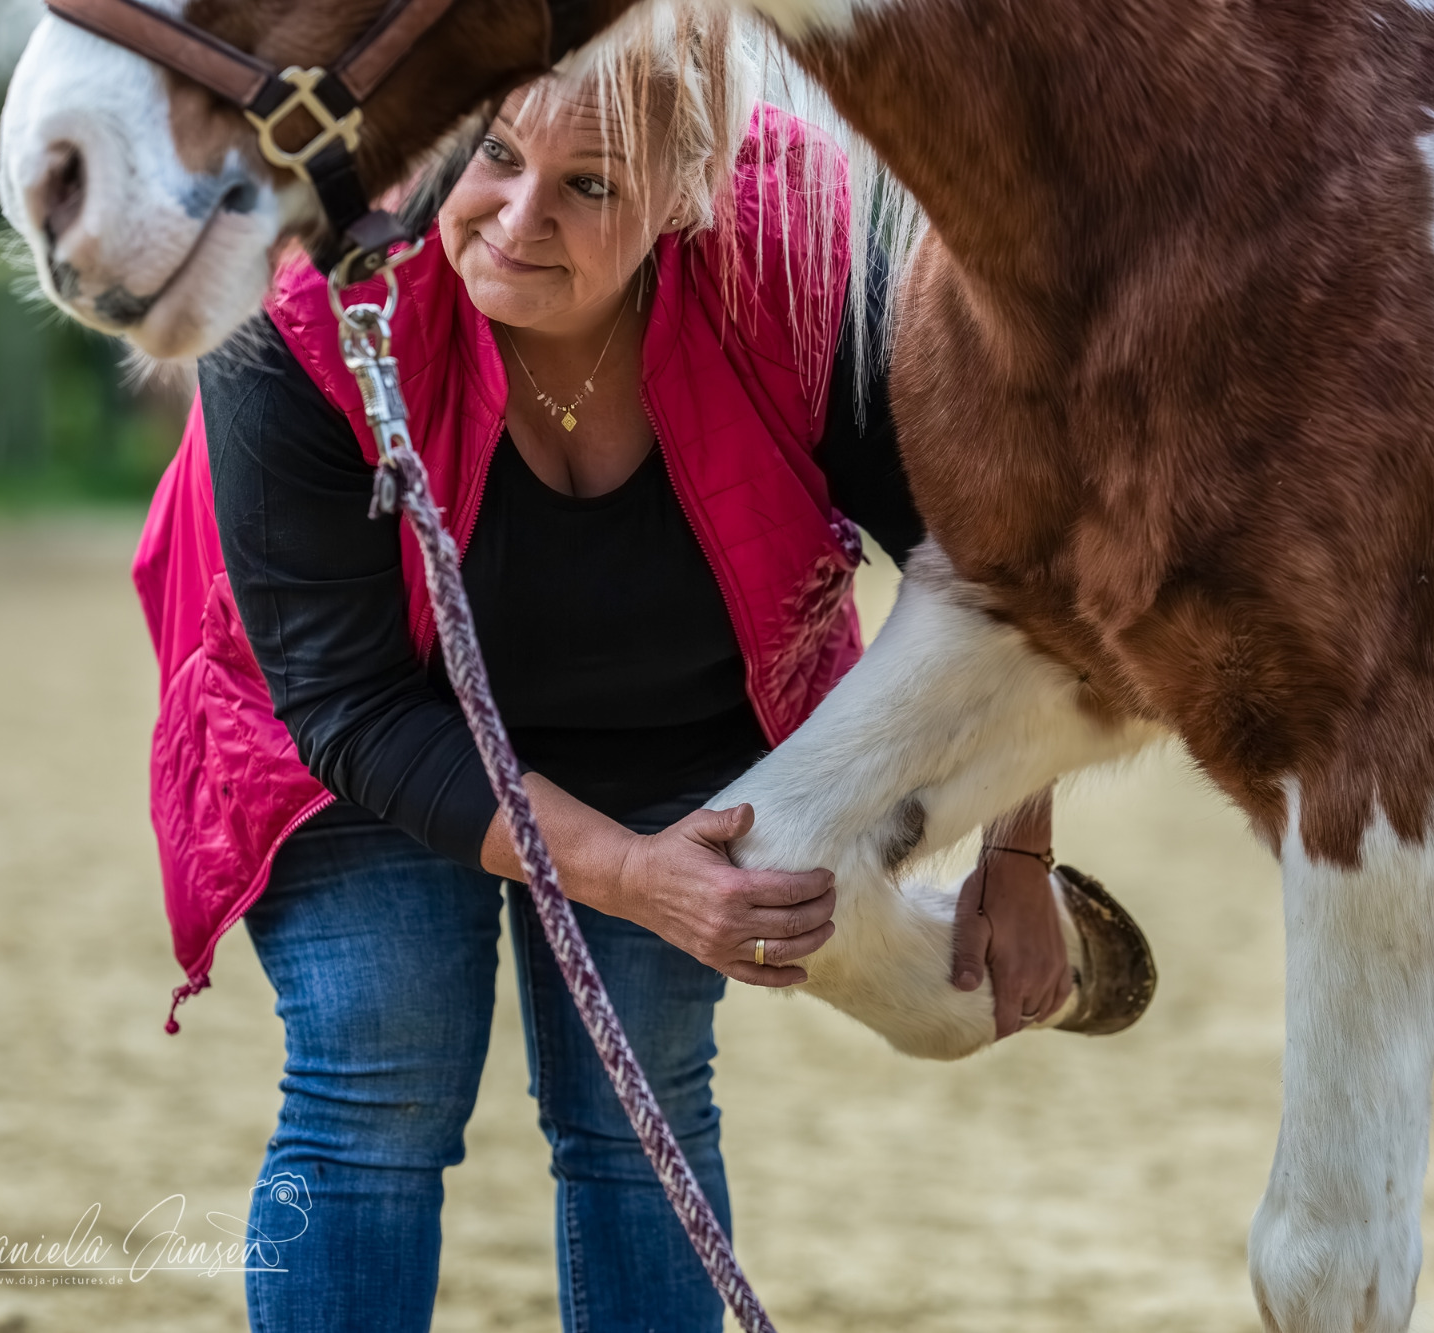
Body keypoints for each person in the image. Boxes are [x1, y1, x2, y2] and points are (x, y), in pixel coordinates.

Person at [130, 7, 1068, 1330]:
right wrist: (631, 875)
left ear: (687, 194)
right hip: (364, 721)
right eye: (494, 156)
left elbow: (987, 562)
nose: (517, 220)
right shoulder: (304, 293)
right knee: (379, 1071)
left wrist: (1020, 852)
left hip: (669, 735)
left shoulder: (803, 265)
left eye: (590, 186)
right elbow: (342, 702)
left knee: (643, 1103)